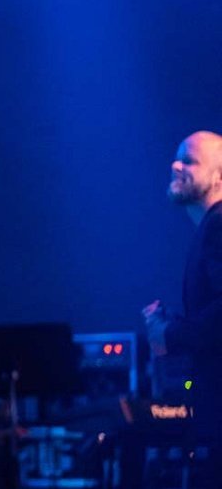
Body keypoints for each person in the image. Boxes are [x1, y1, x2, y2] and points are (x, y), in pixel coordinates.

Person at [144, 130, 222, 471]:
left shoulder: (218, 226)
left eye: (189, 160)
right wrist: (175, 325)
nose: (175, 165)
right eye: (176, 158)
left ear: (219, 176)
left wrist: (169, 334)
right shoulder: (210, 228)